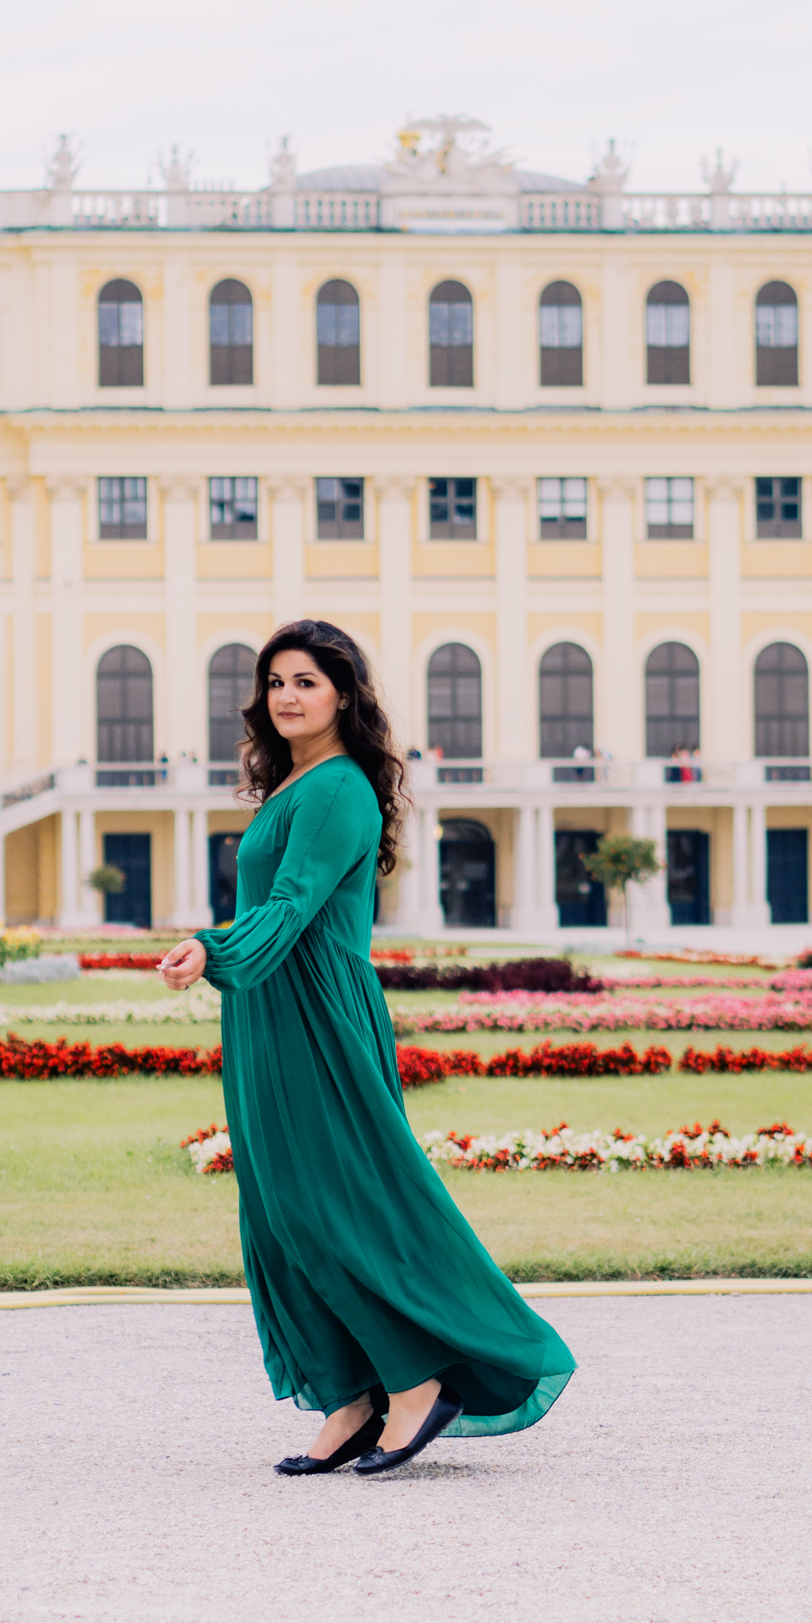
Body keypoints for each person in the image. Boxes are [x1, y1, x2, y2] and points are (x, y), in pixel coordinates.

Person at [158, 619, 574, 1477]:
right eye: (275, 682)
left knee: (333, 1205)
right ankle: (347, 1399)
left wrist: (213, 947)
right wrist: (228, 956)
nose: (287, 697)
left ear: (343, 693)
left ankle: (416, 1382)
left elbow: (295, 905)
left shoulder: (339, 789)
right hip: (271, 1010)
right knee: (280, 1212)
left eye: (305, 681)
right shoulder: (297, 784)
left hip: (315, 1012)